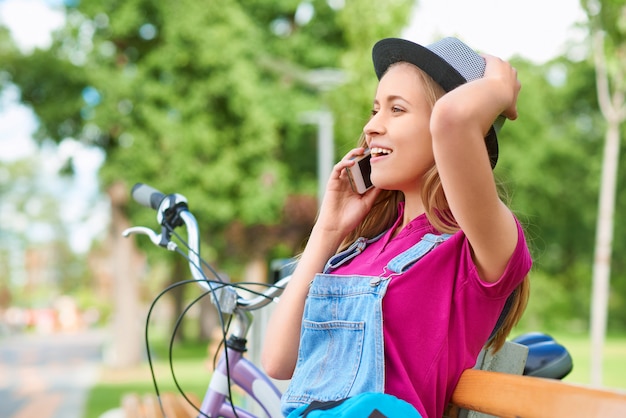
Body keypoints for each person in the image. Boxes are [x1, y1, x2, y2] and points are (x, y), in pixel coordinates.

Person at [262, 36, 532, 418]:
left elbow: (454, 121)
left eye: (397, 110)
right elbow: (278, 361)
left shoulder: (475, 247)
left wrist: (499, 87)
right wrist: (327, 230)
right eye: (375, 110)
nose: (371, 127)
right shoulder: (364, 249)